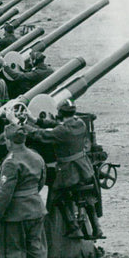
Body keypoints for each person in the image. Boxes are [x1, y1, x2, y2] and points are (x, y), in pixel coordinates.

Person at [0, 123, 50, 258]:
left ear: (8, 141)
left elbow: (4, 194)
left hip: (15, 214)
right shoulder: (36, 157)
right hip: (36, 208)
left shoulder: (10, 162)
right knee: (36, 248)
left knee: (13, 251)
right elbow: (41, 181)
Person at [26, 99, 101, 239]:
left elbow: (40, 135)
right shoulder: (80, 123)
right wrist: (36, 120)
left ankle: (73, 227)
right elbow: (58, 125)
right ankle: (97, 229)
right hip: (84, 169)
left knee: (57, 194)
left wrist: (23, 126)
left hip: (69, 172)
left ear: (59, 113)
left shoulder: (61, 131)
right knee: (87, 197)